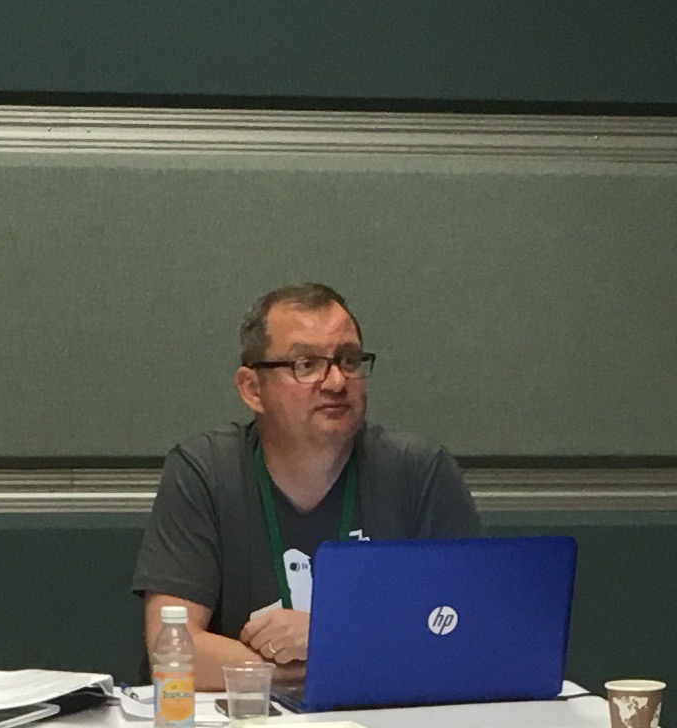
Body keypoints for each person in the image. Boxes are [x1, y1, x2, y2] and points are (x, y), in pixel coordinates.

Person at [133, 282, 479, 680]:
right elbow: (172, 651)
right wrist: (327, 659)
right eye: (306, 365)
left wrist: (329, 638)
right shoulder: (206, 471)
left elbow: (468, 629)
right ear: (252, 390)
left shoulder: (417, 471)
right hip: (248, 716)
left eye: (348, 360)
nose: (336, 382)